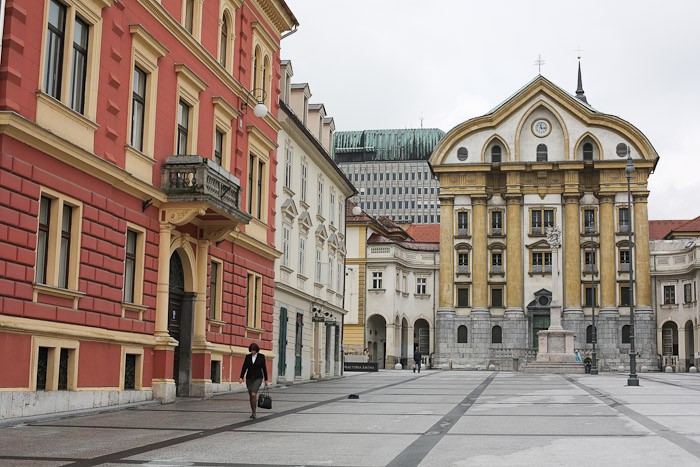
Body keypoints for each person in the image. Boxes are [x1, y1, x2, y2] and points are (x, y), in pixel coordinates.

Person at [239, 343, 268, 419]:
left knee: (253, 394)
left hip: (258, 378)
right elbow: (244, 367)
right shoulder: (248, 357)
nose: (253, 352)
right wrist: (241, 377)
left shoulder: (261, 357)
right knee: (251, 395)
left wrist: (266, 379)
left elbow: (264, 368)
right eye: (251, 350)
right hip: (249, 378)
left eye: (254, 350)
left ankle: (254, 413)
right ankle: (253, 412)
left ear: (256, 350)